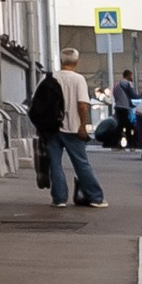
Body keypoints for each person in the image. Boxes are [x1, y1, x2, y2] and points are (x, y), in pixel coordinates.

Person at [55, 54, 104, 208]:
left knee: (55, 164)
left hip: (51, 129)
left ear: (61, 61)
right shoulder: (78, 79)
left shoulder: (49, 78)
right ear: (76, 62)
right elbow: (82, 104)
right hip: (73, 128)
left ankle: (59, 199)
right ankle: (95, 198)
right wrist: (82, 126)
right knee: (81, 163)